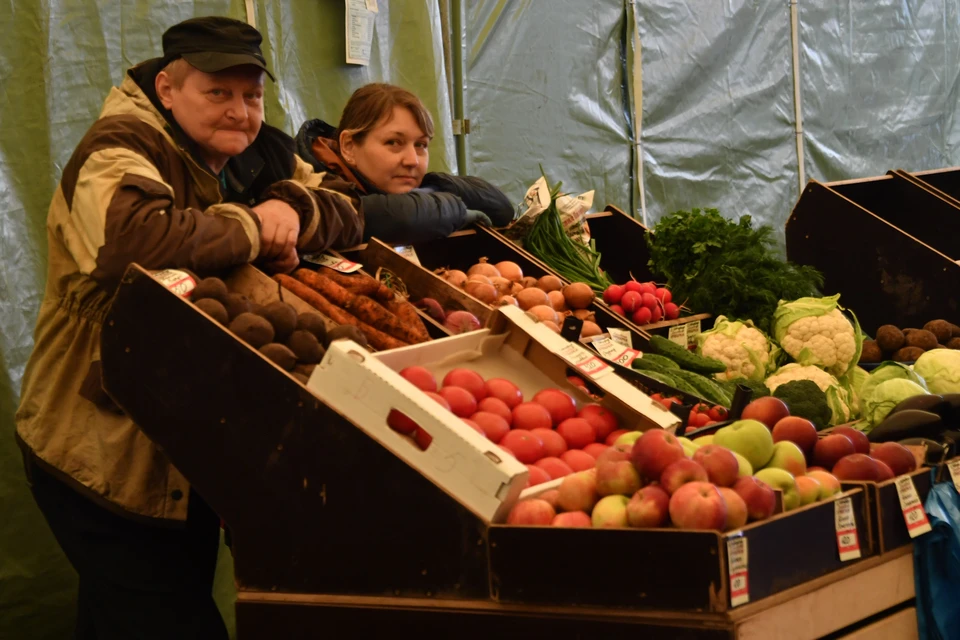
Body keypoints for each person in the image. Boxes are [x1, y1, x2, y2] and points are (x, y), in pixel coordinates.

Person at [15, 16, 362, 639]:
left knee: (123, 613)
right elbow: (126, 242)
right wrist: (256, 225)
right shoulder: (119, 146)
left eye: (252, 95)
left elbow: (345, 201)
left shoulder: (261, 148)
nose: (239, 112)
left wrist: (294, 205)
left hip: (188, 443)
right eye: (217, 93)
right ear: (168, 88)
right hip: (101, 446)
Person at [296, 83, 515, 244]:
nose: (412, 161)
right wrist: (454, 209)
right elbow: (393, 218)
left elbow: (502, 209)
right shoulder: (318, 186)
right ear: (348, 146)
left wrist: (435, 187)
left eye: (421, 145)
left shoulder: (390, 184)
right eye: (393, 142)